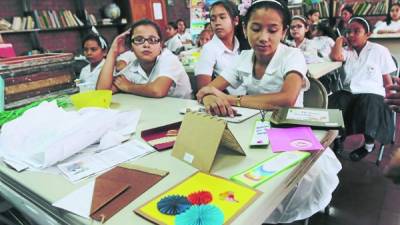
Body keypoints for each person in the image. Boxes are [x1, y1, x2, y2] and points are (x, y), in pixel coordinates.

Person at [197, 1, 340, 224]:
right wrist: (209, 96)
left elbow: (286, 99)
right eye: (255, 29)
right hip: (253, 126)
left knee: (290, 179)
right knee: (231, 169)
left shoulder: (292, 56)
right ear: (244, 28)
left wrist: (231, 98)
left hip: (291, 129)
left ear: (283, 31)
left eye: (273, 30)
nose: (263, 37)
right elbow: (207, 89)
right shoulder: (243, 58)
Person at [329, 16, 397, 161]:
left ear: (368, 34)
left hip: (373, 93)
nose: (351, 35)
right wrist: (340, 39)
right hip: (350, 92)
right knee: (334, 103)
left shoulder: (379, 50)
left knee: (369, 107)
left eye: (356, 31)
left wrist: (391, 97)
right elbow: (335, 56)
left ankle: (368, 146)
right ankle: (338, 138)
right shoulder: (348, 52)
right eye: (348, 31)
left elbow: (386, 78)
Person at [96, 19, 192, 99]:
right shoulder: (133, 67)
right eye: (139, 40)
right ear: (131, 47)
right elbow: (102, 93)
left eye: (153, 40)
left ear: (161, 45)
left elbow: (158, 90)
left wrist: (129, 86)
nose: (146, 45)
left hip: (183, 116)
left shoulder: (169, 59)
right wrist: (112, 52)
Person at [195, 0, 245, 95]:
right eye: (213, 19)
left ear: (235, 20)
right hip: (227, 103)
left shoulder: (243, 46)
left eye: (222, 17)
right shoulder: (209, 49)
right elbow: (203, 91)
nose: (217, 23)